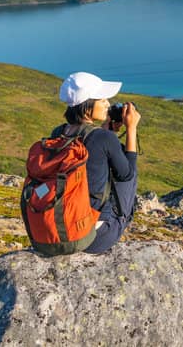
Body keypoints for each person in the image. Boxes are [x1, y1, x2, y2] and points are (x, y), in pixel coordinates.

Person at [54, 71, 140, 254]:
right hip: (94, 238)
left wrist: (107, 132)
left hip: (60, 231)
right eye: (102, 100)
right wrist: (131, 129)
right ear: (87, 107)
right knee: (129, 176)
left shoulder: (58, 133)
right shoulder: (103, 138)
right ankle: (122, 220)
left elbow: (94, 149)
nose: (108, 105)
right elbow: (126, 174)